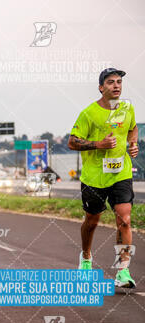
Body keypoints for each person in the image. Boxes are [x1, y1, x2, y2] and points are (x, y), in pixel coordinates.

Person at [67, 67, 139, 288]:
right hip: (94, 177)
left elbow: (133, 128)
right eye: (110, 82)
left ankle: (122, 271)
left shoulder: (127, 108)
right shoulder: (89, 113)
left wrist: (133, 144)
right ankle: (86, 257)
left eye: (119, 82)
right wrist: (99, 144)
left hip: (121, 173)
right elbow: (72, 141)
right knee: (92, 222)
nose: (116, 85)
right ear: (101, 87)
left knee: (124, 220)